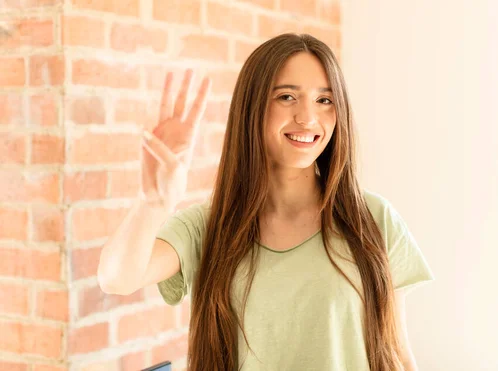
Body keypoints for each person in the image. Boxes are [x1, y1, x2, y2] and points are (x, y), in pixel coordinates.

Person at [97, 33, 434, 371]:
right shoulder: (206, 227)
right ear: (252, 108)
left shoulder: (373, 219)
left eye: (324, 100)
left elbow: (397, 353)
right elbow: (117, 278)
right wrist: (153, 202)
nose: (307, 118)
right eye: (287, 97)